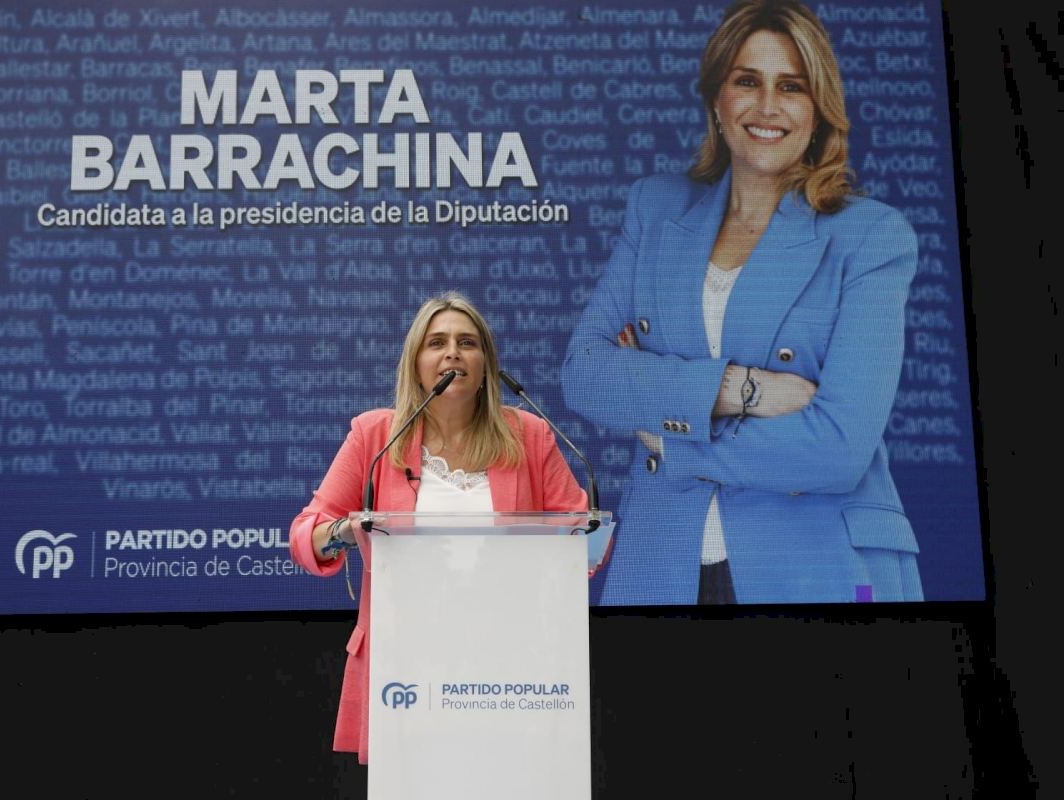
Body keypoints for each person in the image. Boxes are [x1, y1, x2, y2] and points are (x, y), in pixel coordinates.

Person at [562, 0, 922, 606]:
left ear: (818, 110)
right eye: (748, 82)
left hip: (814, 560)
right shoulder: (655, 209)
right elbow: (587, 375)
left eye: (792, 87)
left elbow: (838, 448)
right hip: (662, 562)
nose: (767, 107)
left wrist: (673, 437)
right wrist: (742, 389)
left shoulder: (871, 238)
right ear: (717, 99)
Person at [290, 290, 589, 764]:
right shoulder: (376, 436)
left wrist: (571, 549)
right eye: (437, 343)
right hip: (407, 664)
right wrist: (345, 531)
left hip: (511, 658)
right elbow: (305, 535)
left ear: (486, 365)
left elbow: (581, 535)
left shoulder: (529, 436)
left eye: (467, 342)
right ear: (415, 364)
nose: (453, 353)